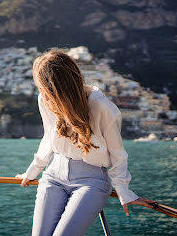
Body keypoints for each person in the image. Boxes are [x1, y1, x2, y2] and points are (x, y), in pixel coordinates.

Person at [16, 51, 155, 236]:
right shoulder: (45, 101)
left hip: (91, 181)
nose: (41, 93)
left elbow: (117, 153)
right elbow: (48, 137)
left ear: (58, 88)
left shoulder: (100, 106)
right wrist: (33, 170)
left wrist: (123, 191)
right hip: (53, 175)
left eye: (43, 88)